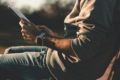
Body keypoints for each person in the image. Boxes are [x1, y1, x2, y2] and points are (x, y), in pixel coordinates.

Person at [0, 0, 120, 80]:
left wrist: (40, 38)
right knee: (10, 51)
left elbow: (84, 47)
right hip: (74, 62)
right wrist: (53, 35)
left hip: (69, 67)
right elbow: (88, 40)